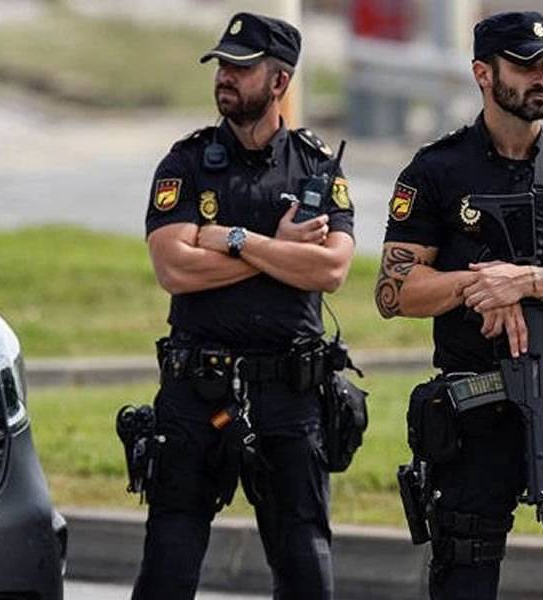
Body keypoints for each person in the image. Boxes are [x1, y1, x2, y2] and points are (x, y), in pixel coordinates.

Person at [376, 10, 543, 600]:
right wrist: (476, 286)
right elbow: (394, 292)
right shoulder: (437, 170)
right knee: (463, 577)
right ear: (483, 74)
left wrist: (526, 282)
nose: (542, 77)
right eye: (525, 65)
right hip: (477, 407)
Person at [135, 12, 355, 600]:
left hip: (290, 396)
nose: (225, 77)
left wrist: (236, 240)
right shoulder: (186, 163)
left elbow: (331, 270)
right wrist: (282, 252)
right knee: (167, 569)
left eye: (241, 67)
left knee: (307, 572)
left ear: (279, 81)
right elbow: (174, 269)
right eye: (221, 66)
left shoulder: (315, 167)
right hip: (198, 392)